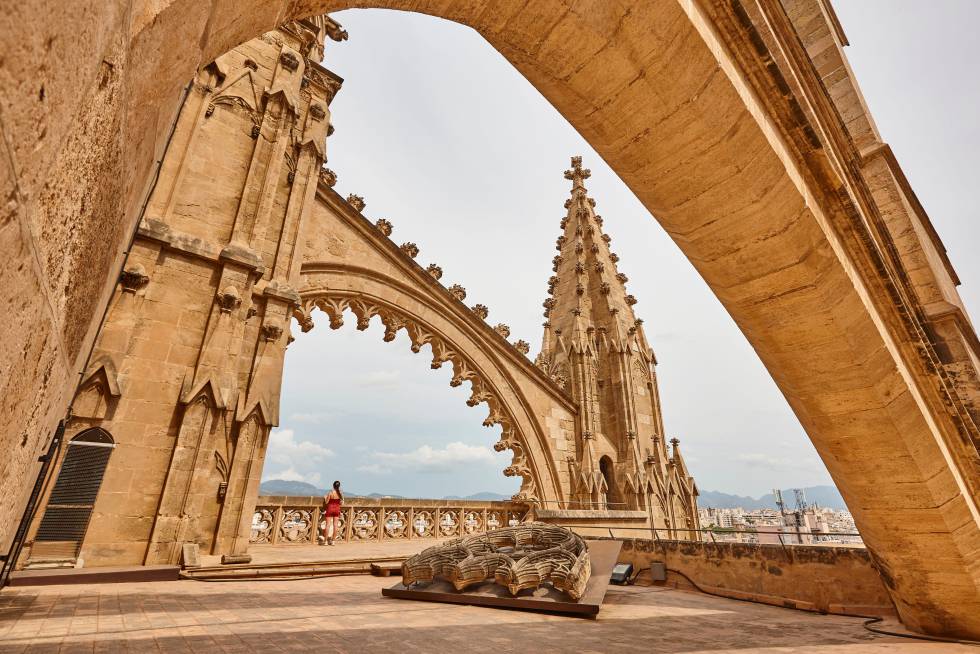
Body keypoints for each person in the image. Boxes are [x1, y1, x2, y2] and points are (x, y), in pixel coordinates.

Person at [322, 480, 343, 546]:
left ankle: (325, 541)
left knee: (328, 525)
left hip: (330, 509)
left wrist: (325, 497)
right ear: (339, 486)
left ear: (333, 486)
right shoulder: (340, 493)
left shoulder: (330, 493)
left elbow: (326, 502)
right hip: (337, 509)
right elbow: (341, 502)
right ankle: (333, 541)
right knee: (335, 525)